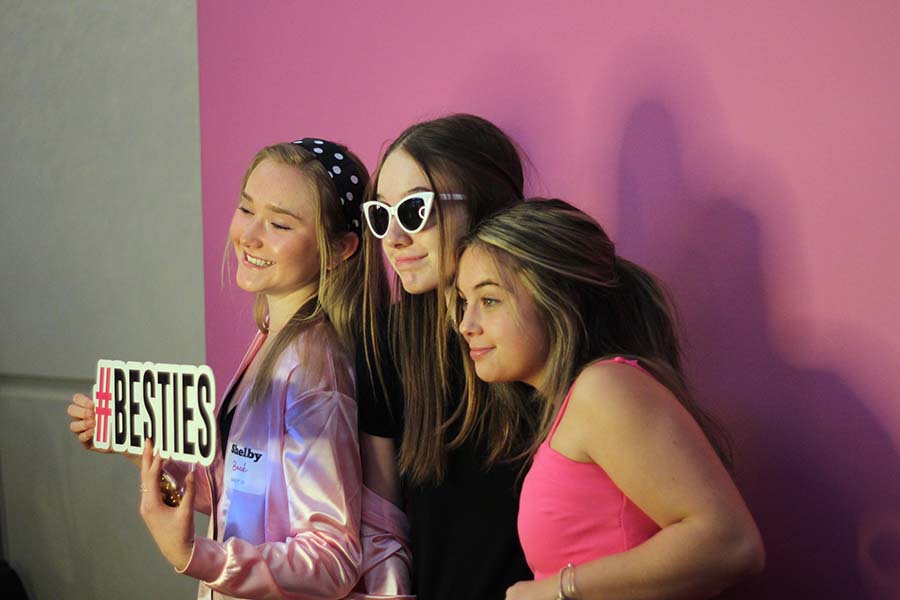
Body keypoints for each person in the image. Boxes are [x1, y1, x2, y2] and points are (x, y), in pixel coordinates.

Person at [67, 139, 412, 600]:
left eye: (279, 224)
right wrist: (142, 448)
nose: (249, 235)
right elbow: (249, 493)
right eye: (247, 209)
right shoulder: (278, 338)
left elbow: (332, 559)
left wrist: (193, 554)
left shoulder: (314, 371)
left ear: (339, 249)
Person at [454, 199, 765, 600]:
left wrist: (551, 591)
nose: (466, 325)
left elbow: (731, 543)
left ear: (556, 299)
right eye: (464, 302)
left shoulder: (605, 390)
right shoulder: (574, 405)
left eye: (490, 300)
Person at [356, 114, 533, 599]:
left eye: (414, 211)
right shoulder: (385, 342)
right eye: (380, 215)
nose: (393, 238)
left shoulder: (545, 333)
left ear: (483, 203)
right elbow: (382, 524)